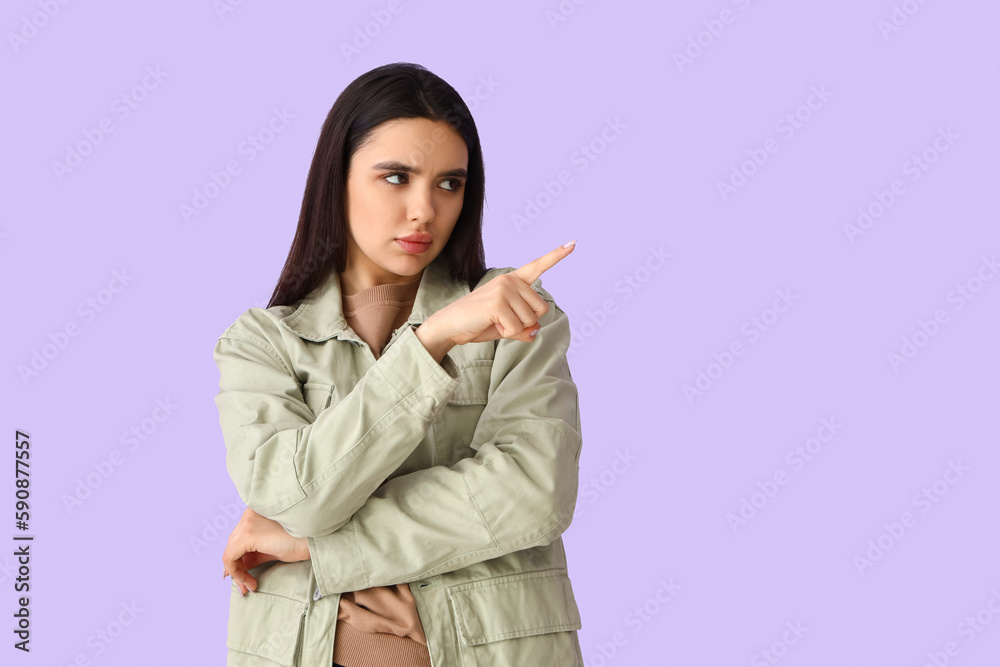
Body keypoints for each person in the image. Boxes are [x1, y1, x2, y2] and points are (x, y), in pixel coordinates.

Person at [214, 62, 585, 667]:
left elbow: (534, 493)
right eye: (396, 176)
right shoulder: (261, 342)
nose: (424, 210)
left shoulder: (515, 312)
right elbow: (297, 498)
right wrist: (434, 339)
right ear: (338, 180)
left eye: (449, 184)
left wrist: (322, 548)